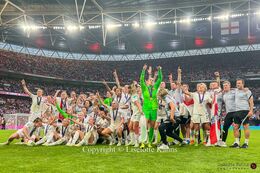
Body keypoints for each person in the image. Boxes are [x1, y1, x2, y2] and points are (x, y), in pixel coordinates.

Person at [140, 64, 162, 148]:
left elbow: (160, 79)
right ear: (147, 81)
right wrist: (143, 70)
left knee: (152, 126)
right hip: (146, 109)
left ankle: (149, 141)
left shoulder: (155, 88)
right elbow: (141, 79)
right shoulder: (144, 88)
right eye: (150, 80)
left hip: (154, 109)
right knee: (144, 124)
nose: (151, 81)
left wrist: (159, 70)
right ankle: (142, 141)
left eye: (152, 80)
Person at [231, 79, 254, 148]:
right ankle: (237, 143)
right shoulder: (235, 91)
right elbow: (228, 88)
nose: (238, 84)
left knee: (245, 127)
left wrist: (251, 111)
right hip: (236, 111)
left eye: (239, 83)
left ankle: (246, 143)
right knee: (235, 127)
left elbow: (251, 101)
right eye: (237, 83)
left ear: (243, 84)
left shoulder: (247, 91)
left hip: (245, 111)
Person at [128, 83, 143, 147]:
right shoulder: (134, 95)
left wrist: (140, 111)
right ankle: (132, 141)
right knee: (130, 126)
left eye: (133, 87)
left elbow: (137, 104)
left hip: (137, 113)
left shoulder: (134, 96)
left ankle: (137, 142)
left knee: (135, 127)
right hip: (134, 113)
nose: (132, 88)